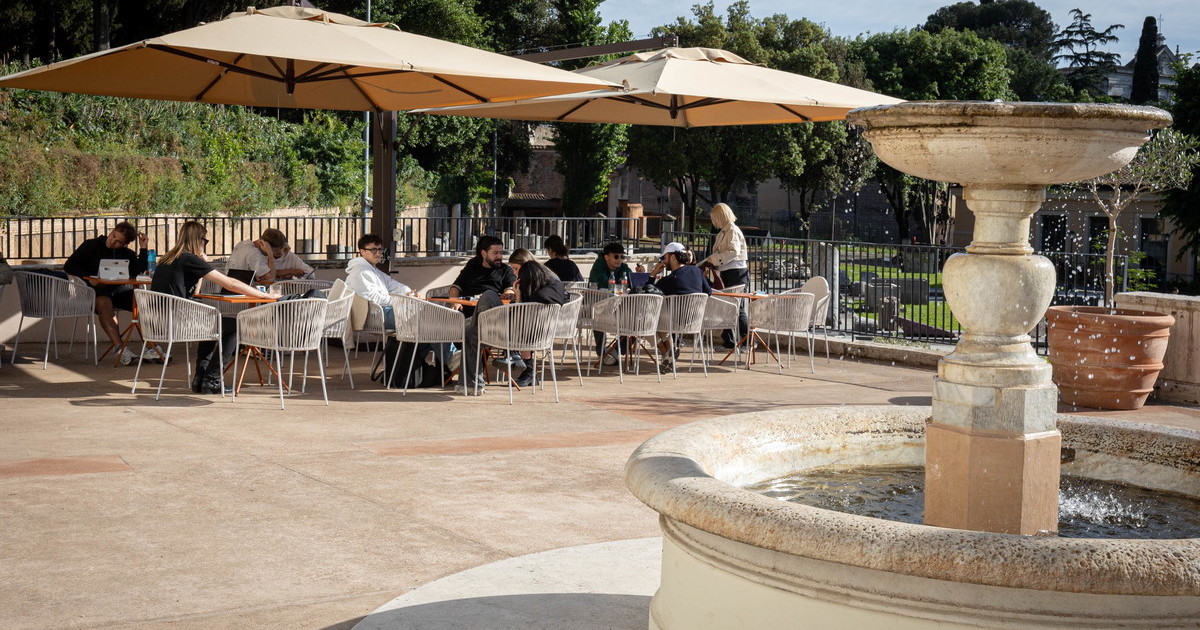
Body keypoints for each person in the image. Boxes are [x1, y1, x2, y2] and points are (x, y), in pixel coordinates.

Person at [150, 221, 275, 394]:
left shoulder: (168, 258)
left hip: (159, 321)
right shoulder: (188, 258)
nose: (205, 243)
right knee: (234, 326)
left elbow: (197, 292)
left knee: (212, 324)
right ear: (197, 240)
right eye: (205, 240)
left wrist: (201, 268)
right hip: (178, 321)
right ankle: (213, 378)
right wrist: (264, 295)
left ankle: (201, 379)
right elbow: (230, 283)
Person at [63, 221, 149, 365]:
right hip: (93, 291)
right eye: (113, 236)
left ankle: (151, 346)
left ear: (125, 244)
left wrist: (144, 248)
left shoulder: (126, 253)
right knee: (104, 304)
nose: (112, 241)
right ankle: (120, 349)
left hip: (118, 290)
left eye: (118, 242)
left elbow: (137, 271)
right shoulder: (91, 245)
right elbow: (69, 265)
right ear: (112, 231)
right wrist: (89, 278)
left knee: (142, 302)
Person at [451, 236, 517, 395]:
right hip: (468, 319)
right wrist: (454, 300)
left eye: (501, 252)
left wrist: (508, 293)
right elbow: (456, 286)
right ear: (483, 253)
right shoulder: (472, 266)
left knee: (487, 296)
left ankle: (467, 381)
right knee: (470, 334)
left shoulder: (505, 270)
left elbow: (510, 290)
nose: (500, 256)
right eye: (496, 253)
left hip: (493, 319)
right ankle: (473, 384)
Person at [653, 242, 712, 373]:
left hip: (673, 322)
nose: (664, 261)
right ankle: (669, 352)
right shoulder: (697, 272)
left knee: (647, 320)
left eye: (665, 258)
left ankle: (666, 352)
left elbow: (648, 293)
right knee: (657, 322)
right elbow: (708, 292)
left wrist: (653, 274)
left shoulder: (670, 279)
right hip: (694, 321)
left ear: (673, 258)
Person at [508, 260, 568, 387]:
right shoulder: (555, 286)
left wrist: (518, 297)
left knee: (514, 325)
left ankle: (520, 364)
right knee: (521, 326)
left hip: (535, 333)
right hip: (552, 328)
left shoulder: (537, 296)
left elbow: (521, 313)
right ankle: (523, 367)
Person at [701, 203, 749, 348]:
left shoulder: (732, 231)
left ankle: (745, 341)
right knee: (728, 306)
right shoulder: (726, 231)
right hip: (729, 271)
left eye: (715, 218)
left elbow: (733, 252)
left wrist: (714, 260)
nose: (714, 222)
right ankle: (730, 341)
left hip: (735, 272)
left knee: (735, 307)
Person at [345, 234, 414, 331]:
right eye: (373, 250)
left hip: (385, 310)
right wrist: (400, 300)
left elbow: (395, 285)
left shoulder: (374, 271)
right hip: (375, 315)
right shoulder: (360, 272)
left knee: (422, 313)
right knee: (420, 315)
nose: (378, 253)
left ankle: (402, 345)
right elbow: (374, 297)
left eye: (380, 249)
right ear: (362, 251)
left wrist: (409, 294)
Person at [588, 242, 633, 363]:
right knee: (598, 317)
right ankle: (601, 352)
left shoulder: (623, 268)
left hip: (621, 305)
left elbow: (632, 281)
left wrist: (638, 274)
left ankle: (616, 351)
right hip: (600, 303)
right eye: (616, 256)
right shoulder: (598, 267)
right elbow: (598, 284)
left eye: (622, 257)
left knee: (637, 320)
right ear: (606, 257)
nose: (619, 260)